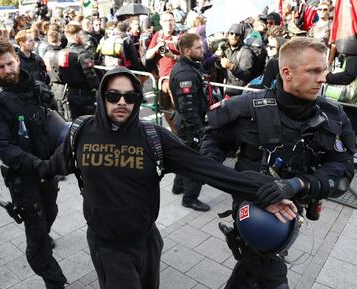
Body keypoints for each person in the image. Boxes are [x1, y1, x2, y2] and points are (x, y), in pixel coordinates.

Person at [42, 66, 297, 289]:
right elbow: (53, 166)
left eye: (130, 96)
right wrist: (24, 169)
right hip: (106, 245)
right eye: (113, 95)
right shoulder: (82, 132)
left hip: (146, 240)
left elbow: (207, 169)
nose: (122, 102)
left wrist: (266, 190)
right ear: (102, 96)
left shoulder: (154, 138)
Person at [201, 37, 355, 289]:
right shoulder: (246, 107)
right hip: (253, 207)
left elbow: (343, 168)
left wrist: (297, 184)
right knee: (270, 270)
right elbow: (213, 144)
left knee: (250, 271)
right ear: (287, 72)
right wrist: (235, 181)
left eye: (325, 70)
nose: (323, 78)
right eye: (314, 71)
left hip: (296, 205)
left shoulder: (333, 115)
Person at [0, 41, 67, 289]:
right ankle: (55, 281)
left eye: (10, 63)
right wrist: (39, 165)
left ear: (18, 60)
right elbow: (4, 149)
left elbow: (55, 121)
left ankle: (43, 237)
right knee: (36, 245)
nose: (8, 70)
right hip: (25, 177)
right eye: (1, 66)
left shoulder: (36, 86)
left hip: (49, 170)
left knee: (51, 212)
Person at [169, 33, 210, 211]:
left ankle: (178, 186)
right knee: (195, 162)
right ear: (186, 51)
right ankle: (190, 198)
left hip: (187, 123)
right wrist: (200, 132)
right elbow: (187, 108)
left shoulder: (190, 65)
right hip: (190, 125)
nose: (202, 50)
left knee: (184, 156)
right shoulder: (185, 73)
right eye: (198, 48)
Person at [53, 23, 100, 119]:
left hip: (69, 92)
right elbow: (90, 75)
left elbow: (58, 72)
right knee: (88, 121)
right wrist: (97, 88)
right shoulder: (82, 53)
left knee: (73, 121)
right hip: (84, 94)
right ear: (76, 35)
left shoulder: (60, 53)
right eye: (81, 34)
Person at [219, 23, 256, 96]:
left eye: (237, 34)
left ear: (241, 36)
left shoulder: (246, 52)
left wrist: (231, 67)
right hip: (228, 90)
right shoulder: (226, 49)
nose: (234, 36)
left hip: (240, 94)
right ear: (228, 34)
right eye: (231, 33)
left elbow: (246, 75)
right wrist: (218, 61)